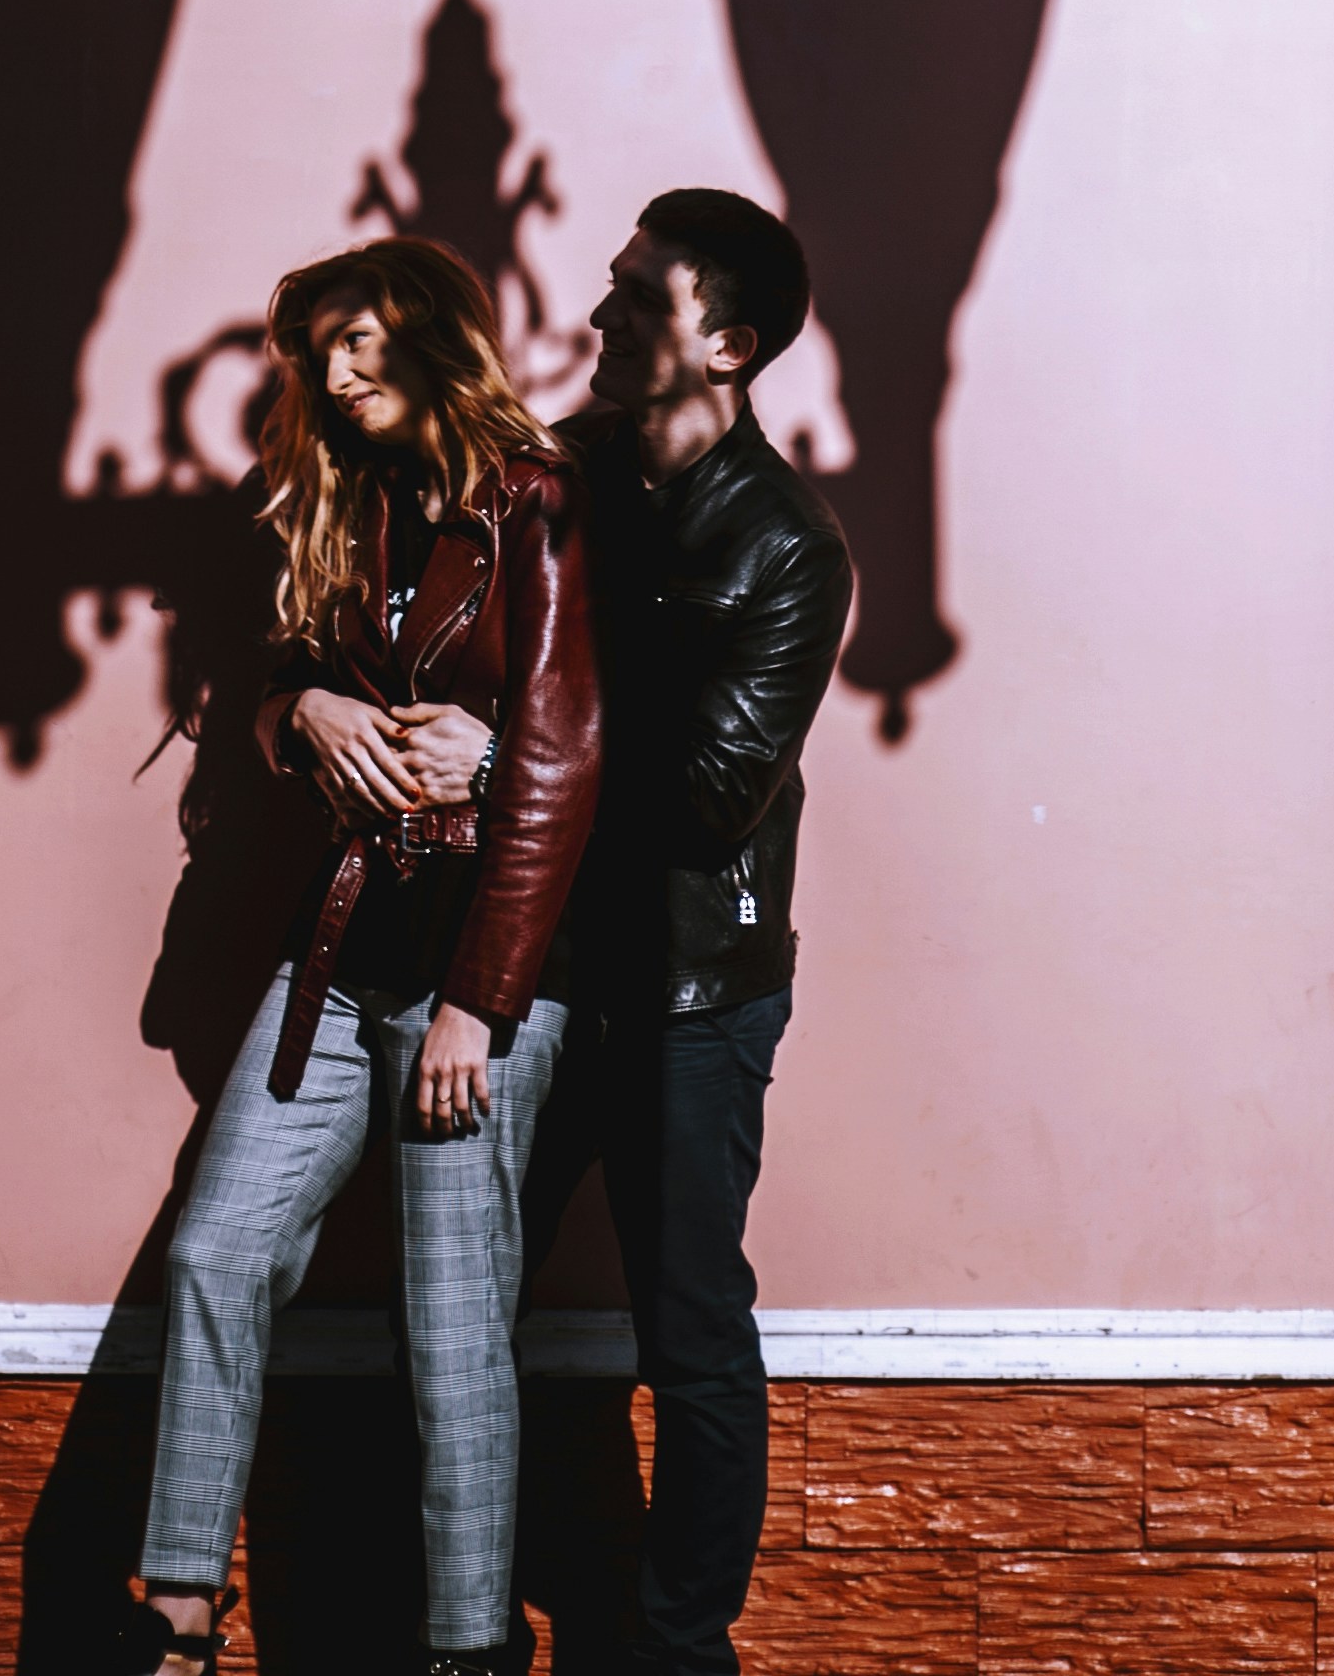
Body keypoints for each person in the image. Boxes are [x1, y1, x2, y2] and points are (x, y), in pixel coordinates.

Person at [131, 238, 600, 1676]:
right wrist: (302, 715)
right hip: (343, 949)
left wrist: (482, 1002)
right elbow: (270, 681)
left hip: (484, 970)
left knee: (452, 1328)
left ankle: (466, 1650)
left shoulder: (540, 505)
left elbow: (570, 761)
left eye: (362, 342)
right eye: (320, 349)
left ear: (437, 343)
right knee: (219, 1249)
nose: (333, 374)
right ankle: (180, 1619)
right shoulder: (341, 503)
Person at [520, 189, 854, 1676]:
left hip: (691, 992)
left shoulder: (788, 546)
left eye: (636, 297)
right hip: (527, 979)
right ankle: (473, 1604)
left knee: (694, 1337)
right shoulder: (558, 478)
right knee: (453, 1292)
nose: (596, 318)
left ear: (726, 344)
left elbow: (712, 795)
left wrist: (546, 718)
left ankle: (677, 1649)